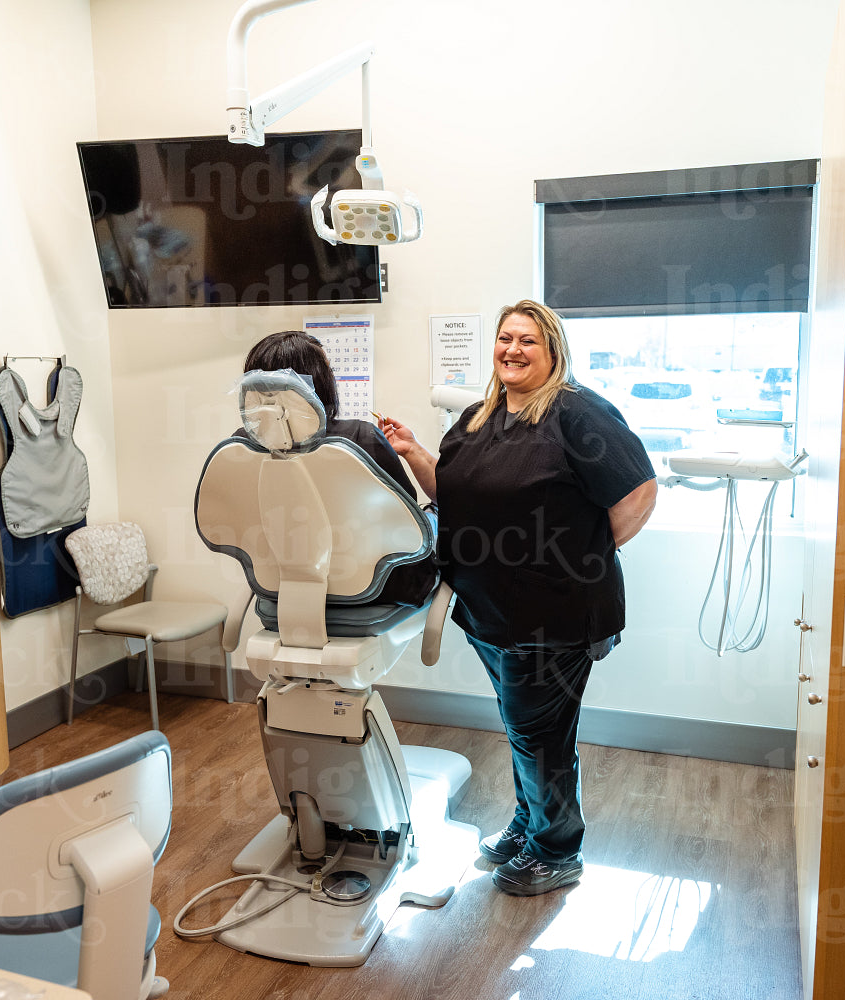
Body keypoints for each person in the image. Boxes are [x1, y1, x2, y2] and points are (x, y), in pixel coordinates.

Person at [379, 300, 657, 896]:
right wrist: (414, 454)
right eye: (506, 338)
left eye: (528, 341)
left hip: (554, 614)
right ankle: (531, 824)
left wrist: (580, 555)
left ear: (552, 349)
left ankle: (557, 850)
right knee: (523, 726)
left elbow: (638, 493)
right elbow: (451, 492)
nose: (513, 350)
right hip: (489, 613)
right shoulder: (480, 418)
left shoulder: (577, 414)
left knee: (541, 734)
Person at [238, 330, 434, 605]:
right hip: (378, 590)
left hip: (283, 591)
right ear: (318, 382)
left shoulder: (241, 448)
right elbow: (407, 519)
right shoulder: (361, 438)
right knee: (433, 517)